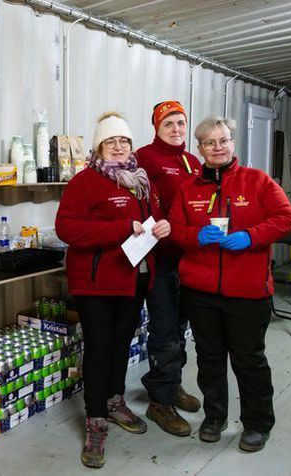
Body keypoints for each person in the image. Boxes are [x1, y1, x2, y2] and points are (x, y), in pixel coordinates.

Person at [168, 115, 291, 452]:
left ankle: (257, 423)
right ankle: (215, 417)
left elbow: (285, 219)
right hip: (201, 293)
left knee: (249, 360)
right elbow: (174, 230)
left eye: (223, 140)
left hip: (247, 292)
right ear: (200, 149)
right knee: (209, 359)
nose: (218, 148)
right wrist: (196, 235)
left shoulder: (258, 181)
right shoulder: (188, 189)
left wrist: (251, 237)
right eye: (210, 143)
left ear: (232, 143)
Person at [56, 112, 171, 468]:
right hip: (96, 284)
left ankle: (114, 400)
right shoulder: (85, 182)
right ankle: (96, 421)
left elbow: (150, 219)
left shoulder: (141, 181)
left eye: (124, 141)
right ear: (99, 148)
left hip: (134, 279)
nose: (119, 147)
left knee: (121, 345)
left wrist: (162, 226)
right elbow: (66, 229)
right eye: (111, 142)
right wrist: (121, 228)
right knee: (99, 350)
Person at [136, 100, 202, 437]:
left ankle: (171, 385)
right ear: (157, 127)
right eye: (169, 124)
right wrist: (161, 223)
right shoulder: (144, 157)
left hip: (189, 257)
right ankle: (159, 402)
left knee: (179, 329)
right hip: (160, 258)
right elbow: (141, 202)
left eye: (180, 123)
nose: (177, 129)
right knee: (163, 330)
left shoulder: (192, 161)